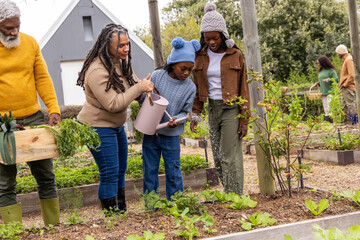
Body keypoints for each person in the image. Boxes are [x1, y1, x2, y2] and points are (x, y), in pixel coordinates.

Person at [76, 23, 154, 215]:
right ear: (106, 45)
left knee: (120, 171)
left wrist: (148, 96)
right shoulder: (96, 71)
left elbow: (133, 82)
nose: (126, 49)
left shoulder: (120, 62)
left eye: (127, 44)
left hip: (115, 126)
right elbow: (113, 104)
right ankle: (112, 216)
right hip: (96, 126)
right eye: (121, 46)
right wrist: (139, 88)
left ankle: (121, 211)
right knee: (109, 172)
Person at [0, 0, 61, 225]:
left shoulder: (30, 43)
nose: (14, 31)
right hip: (2, 123)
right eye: (8, 28)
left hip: (34, 118)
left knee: (46, 175)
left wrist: (53, 108)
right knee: (5, 182)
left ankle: (53, 227)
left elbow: (42, 78)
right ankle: (14, 231)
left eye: (17, 26)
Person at [190, 2, 251, 195]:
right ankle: (228, 192)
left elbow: (244, 88)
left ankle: (235, 196)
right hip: (212, 109)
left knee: (229, 155)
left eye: (215, 38)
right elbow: (197, 87)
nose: (211, 42)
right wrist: (195, 114)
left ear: (223, 35)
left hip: (231, 109)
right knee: (217, 156)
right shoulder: (199, 56)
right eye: (207, 39)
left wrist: (244, 118)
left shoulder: (235, 54)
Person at [142, 37, 199, 201]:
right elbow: (143, 97)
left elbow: (186, 112)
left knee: (173, 171)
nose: (187, 72)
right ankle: (151, 206)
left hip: (171, 136)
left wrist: (177, 119)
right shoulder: (157, 76)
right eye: (183, 68)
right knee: (150, 170)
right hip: (151, 132)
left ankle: (176, 205)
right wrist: (144, 95)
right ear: (173, 63)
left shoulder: (190, 87)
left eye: (190, 69)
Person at [310, 56, 339, 122]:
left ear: (323, 63)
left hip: (330, 91)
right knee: (326, 108)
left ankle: (333, 122)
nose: (318, 64)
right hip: (323, 92)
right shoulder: (321, 71)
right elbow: (322, 81)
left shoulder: (331, 71)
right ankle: (327, 123)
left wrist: (330, 79)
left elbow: (336, 80)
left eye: (318, 63)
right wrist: (318, 83)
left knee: (330, 108)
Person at [335, 44, 358, 124]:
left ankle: (354, 123)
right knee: (343, 106)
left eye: (338, 52)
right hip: (345, 87)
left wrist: (345, 84)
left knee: (351, 105)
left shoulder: (348, 60)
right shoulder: (346, 59)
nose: (337, 54)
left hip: (348, 87)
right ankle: (346, 123)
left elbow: (352, 74)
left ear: (341, 52)